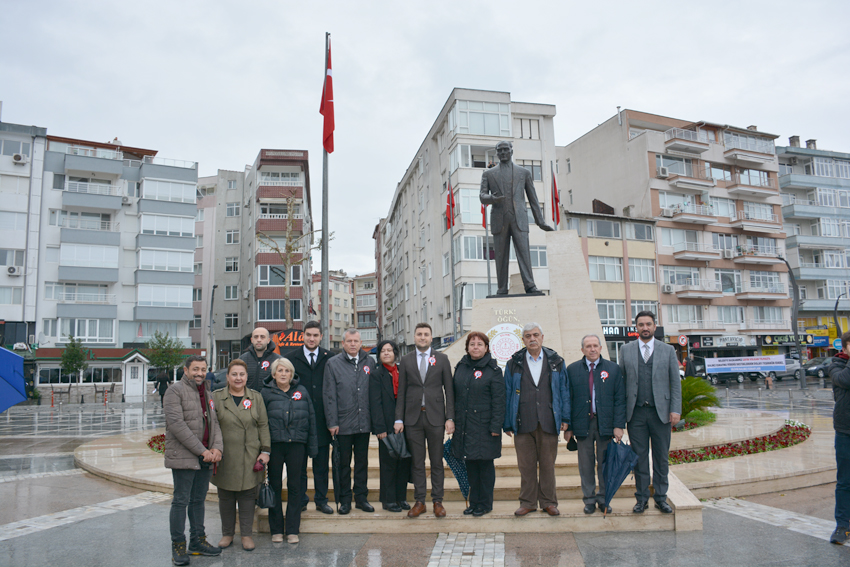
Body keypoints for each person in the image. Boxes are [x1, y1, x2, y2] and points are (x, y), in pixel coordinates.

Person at [504, 322, 570, 516]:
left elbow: (563, 391)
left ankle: (549, 502)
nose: (532, 339)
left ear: (542, 337)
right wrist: (507, 422)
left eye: (535, 335)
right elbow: (507, 393)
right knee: (526, 466)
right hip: (522, 421)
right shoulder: (514, 362)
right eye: (527, 336)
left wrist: (565, 418)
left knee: (548, 465)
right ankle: (528, 502)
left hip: (549, 419)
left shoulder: (556, 361)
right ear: (523, 339)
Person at [619, 311, 681, 515]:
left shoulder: (668, 350)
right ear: (635, 327)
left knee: (661, 458)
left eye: (648, 324)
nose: (644, 328)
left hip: (660, 414)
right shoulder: (625, 350)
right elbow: (622, 384)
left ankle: (661, 498)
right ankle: (642, 498)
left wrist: (675, 409)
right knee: (639, 458)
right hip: (636, 414)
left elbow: (675, 383)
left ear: (655, 326)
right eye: (640, 324)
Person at [163, 355, 223, 566]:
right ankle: (178, 544)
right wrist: (202, 451)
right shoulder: (174, 391)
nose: (199, 373)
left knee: (198, 501)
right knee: (181, 500)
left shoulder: (207, 392)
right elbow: (177, 425)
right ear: (186, 370)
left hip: (205, 457)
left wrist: (216, 448)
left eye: (203, 369)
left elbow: (215, 424)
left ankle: (198, 540)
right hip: (184, 456)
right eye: (195, 369)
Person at [394, 323, 455, 518]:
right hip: (413, 418)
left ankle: (438, 501)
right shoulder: (405, 360)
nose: (422, 337)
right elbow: (401, 392)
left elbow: (449, 391)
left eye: (426, 334)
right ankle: (420, 501)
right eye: (419, 334)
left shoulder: (442, 359)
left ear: (431, 337)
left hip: (436, 417)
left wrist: (450, 417)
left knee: (436, 461)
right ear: (414, 337)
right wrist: (398, 419)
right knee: (417, 462)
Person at [479, 140, 554, 295]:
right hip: (500, 219)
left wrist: (540, 221)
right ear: (497, 153)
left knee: (524, 253)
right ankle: (501, 288)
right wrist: (492, 199)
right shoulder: (489, 174)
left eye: (505, 149)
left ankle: (529, 285)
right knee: (500, 256)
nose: (503, 153)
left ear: (511, 151)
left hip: (519, 219)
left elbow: (533, 199)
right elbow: (482, 196)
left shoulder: (524, 173)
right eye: (499, 150)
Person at [211, 359, 270, 551]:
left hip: (249, 455)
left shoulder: (256, 397)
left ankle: (246, 535)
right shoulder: (217, 397)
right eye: (234, 374)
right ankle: (227, 534)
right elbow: (211, 426)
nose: (238, 378)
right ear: (227, 377)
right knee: (226, 497)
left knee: (247, 497)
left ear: (247, 377)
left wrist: (265, 451)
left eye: (242, 374)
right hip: (225, 456)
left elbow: (263, 425)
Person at [565, 334, 625, 514]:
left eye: (595, 346)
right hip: (582, 424)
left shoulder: (613, 369)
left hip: (605, 423)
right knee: (586, 464)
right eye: (588, 346)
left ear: (600, 348)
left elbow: (620, 399)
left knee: (605, 464)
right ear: (582, 350)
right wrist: (568, 426)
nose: (592, 349)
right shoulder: (572, 369)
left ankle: (604, 499)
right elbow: (568, 399)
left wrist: (618, 425)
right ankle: (589, 499)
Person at [262, 358, 318, 544]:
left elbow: (311, 419)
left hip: (297, 445)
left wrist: (312, 446)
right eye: (280, 371)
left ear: (292, 373)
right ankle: (276, 530)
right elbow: (260, 423)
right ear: (274, 374)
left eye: (287, 370)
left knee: (295, 488)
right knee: (275, 487)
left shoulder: (302, 392)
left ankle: (293, 529)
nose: (283, 374)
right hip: (275, 446)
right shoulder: (266, 393)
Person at [451, 332, 505, 517]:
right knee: (471, 467)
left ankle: (485, 503)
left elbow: (499, 401)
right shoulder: (461, 367)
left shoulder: (494, 371)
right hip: (465, 427)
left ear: (486, 348)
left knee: (485, 468)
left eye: (479, 344)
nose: (475, 347)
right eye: (472, 344)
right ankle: (474, 503)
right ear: (467, 347)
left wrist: (495, 427)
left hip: (485, 428)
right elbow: (454, 396)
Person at [285, 320, 335, 515]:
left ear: (321, 336)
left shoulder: (330, 358)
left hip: (322, 421)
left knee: (321, 464)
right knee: (299, 465)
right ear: (303, 336)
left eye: (315, 335)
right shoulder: (291, 359)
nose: (312, 338)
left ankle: (321, 500)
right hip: (298, 420)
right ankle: (301, 500)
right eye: (308, 335)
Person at [324, 328, 375, 514]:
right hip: (342, 425)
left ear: (361, 343)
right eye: (349, 341)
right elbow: (329, 395)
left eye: (356, 341)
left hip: (363, 423)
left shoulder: (369, 361)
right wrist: (332, 422)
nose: (353, 344)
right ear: (343, 343)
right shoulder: (333, 363)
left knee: (362, 463)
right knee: (343, 465)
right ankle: (345, 500)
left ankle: (361, 498)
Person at [369, 340, 411, 512]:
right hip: (385, 426)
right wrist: (379, 428)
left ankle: (401, 497)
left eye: (389, 350)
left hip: (405, 424)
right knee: (388, 464)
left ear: (395, 353)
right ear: (379, 355)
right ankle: (388, 500)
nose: (386, 353)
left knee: (404, 462)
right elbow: (375, 403)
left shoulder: (403, 372)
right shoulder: (376, 374)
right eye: (383, 351)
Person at [827, 330, 850, 545]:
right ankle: (842, 525)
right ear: (844, 347)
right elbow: (846, 380)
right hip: (846, 431)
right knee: (845, 481)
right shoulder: (836, 366)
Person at [238, 327, 281, 392]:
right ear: (252, 340)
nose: (259, 340)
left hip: (269, 400)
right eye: (256, 337)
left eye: (262, 337)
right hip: (247, 400)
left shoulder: (278, 360)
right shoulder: (242, 359)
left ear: (268, 340)